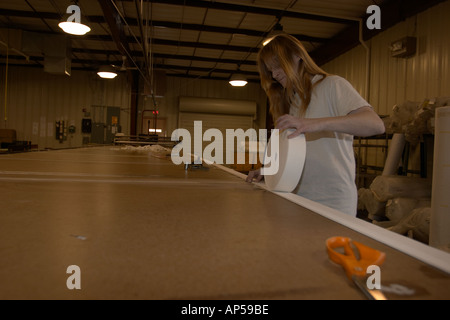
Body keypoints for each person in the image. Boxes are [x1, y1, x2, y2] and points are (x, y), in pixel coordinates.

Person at [246, 33, 385, 216]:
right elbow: (302, 154)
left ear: (298, 56)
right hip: (297, 197)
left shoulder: (332, 85)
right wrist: (269, 171)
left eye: (278, 65)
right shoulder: (294, 100)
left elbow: (375, 125)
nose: (275, 74)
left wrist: (313, 123)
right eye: (271, 70)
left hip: (332, 202)